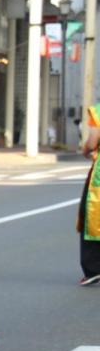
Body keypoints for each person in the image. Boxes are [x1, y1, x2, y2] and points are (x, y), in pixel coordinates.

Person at [80, 102, 100, 284]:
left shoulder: (98, 112)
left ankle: (93, 269)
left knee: (93, 220)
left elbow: (93, 140)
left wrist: (86, 150)